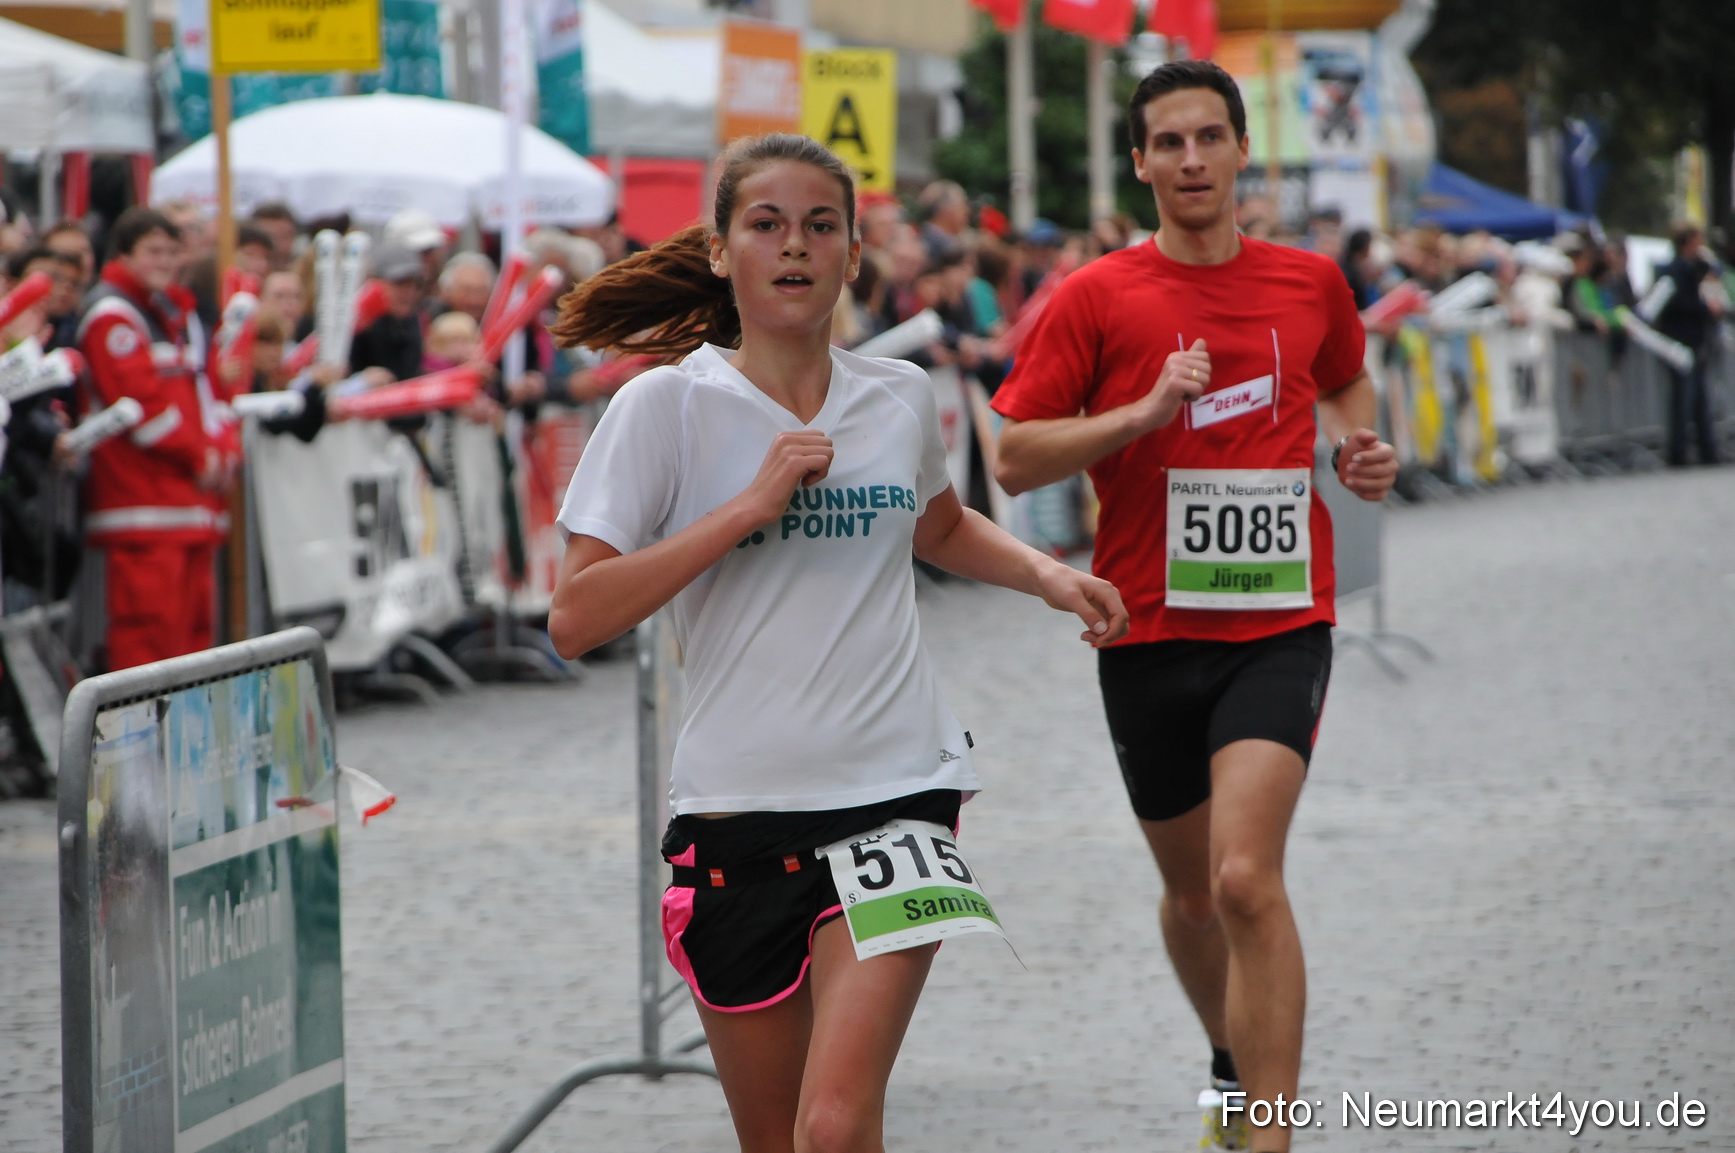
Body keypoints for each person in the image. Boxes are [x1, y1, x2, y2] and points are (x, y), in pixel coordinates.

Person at [545, 132, 1129, 1153]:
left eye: (820, 226)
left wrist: (1044, 574)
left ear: (854, 254)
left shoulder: (896, 395)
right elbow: (575, 617)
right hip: (734, 814)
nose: (794, 245)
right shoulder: (664, 406)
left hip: (897, 791)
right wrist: (746, 506)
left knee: (833, 1123)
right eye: (765, 224)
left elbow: (939, 525)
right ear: (721, 250)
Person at [990, 61, 1398, 1153]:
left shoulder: (1308, 282)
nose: (1190, 159)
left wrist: (1357, 446)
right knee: (1192, 900)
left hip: (1278, 622)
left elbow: (1345, 379)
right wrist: (1139, 413)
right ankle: (1227, 1056)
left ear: (1241, 149)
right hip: (1145, 629)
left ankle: (1267, 1133)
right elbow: (1014, 456)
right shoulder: (1095, 296)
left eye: (1209, 137)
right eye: (1167, 143)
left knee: (1245, 877)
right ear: (1139, 163)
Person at [76, 207, 235, 671]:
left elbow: (201, 396)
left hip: (181, 501)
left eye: (171, 251)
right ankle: (143, 721)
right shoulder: (113, 316)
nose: (164, 261)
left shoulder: (165, 311)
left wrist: (220, 452)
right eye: (152, 251)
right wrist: (200, 456)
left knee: (192, 636)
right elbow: (144, 411)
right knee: (148, 635)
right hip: (143, 502)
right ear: (123, 256)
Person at [1651, 223, 1723, 466]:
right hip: (1679, 342)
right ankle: (1679, 451)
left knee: (1700, 397)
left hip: (1696, 341)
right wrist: (1705, 309)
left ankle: (1708, 449)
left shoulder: (1696, 268)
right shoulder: (1672, 271)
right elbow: (1676, 303)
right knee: (1683, 398)